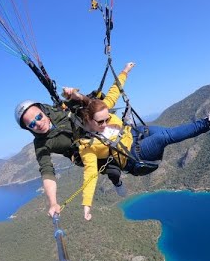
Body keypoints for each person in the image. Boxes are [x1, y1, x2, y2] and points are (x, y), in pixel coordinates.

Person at [66, 64, 210, 221]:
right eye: (101, 122)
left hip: (137, 134)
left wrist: (125, 71)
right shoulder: (87, 145)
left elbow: (114, 90)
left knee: (169, 132)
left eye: (108, 118)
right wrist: (87, 205)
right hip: (133, 157)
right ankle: (208, 121)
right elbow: (90, 174)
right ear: (88, 120)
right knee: (164, 137)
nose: (106, 123)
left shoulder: (101, 109)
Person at [14, 62, 135, 218]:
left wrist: (73, 94)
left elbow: (87, 102)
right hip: (85, 153)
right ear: (28, 129)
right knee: (112, 169)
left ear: (43, 111)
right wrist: (53, 202)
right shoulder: (41, 144)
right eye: (31, 124)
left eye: (38, 117)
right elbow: (47, 173)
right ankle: (117, 181)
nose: (38, 123)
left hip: (95, 134)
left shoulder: (60, 110)